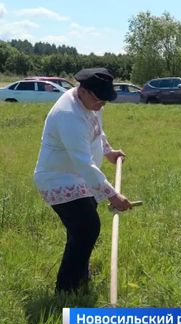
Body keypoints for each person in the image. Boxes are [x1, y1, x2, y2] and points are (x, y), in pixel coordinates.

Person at [34, 67, 133, 293]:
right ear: (84, 91)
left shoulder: (91, 103)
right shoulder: (68, 115)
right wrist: (112, 194)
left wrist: (108, 152)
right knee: (87, 227)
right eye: (100, 100)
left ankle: (79, 276)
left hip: (80, 178)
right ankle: (66, 289)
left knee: (82, 228)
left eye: (106, 101)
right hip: (57, 178)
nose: (102, 105)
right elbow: (83, 163)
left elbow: (97, 131)